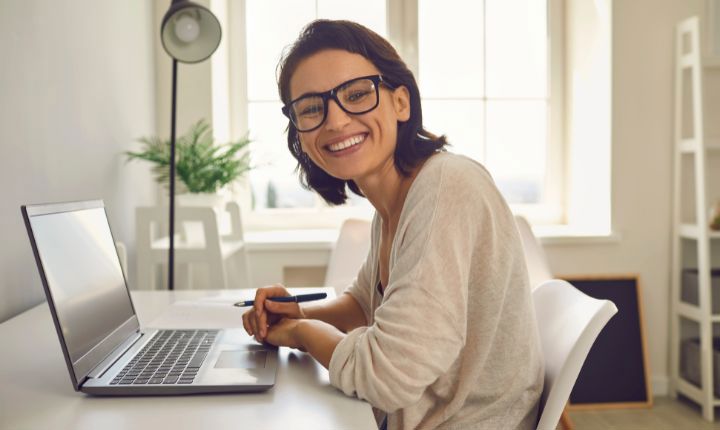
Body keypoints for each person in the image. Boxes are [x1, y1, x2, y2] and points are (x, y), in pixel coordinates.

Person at [242, 19, 544, 430]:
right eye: (312, 107)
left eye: (357, 94)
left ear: (401, 102)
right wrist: (293, 311)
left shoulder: (445, 187)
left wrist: (301, 333)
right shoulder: (392, 203)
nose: (335, 120)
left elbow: (385, 376)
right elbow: (364, 308)